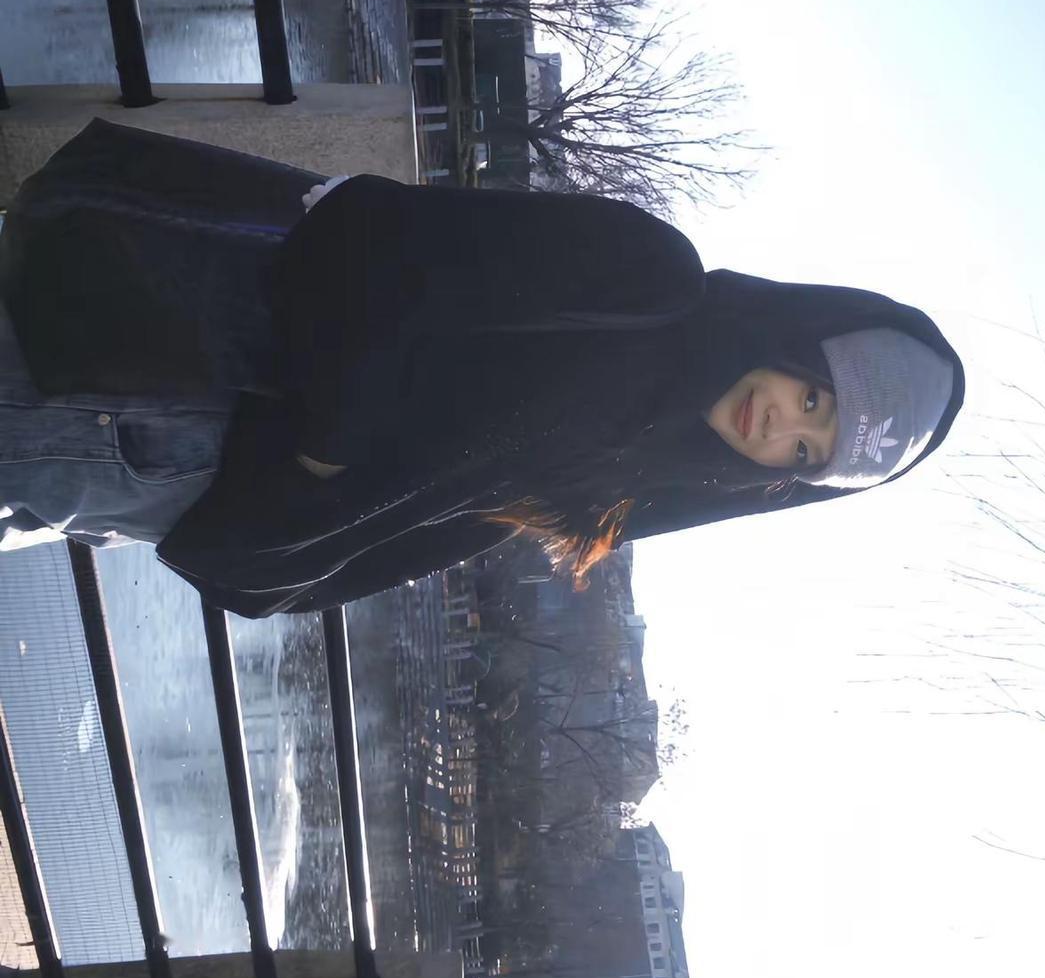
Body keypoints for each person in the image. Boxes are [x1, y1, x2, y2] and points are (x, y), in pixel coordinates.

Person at [0, 120, 964, 616]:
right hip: (151, 364)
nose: (781, 427)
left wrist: (274, 550)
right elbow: (376, 240)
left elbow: (401, 536)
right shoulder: (649, 275)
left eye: (806, 452)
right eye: (812, 395)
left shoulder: (614, 488)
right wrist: (328, 454)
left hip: (153, 489)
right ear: (799, 338)